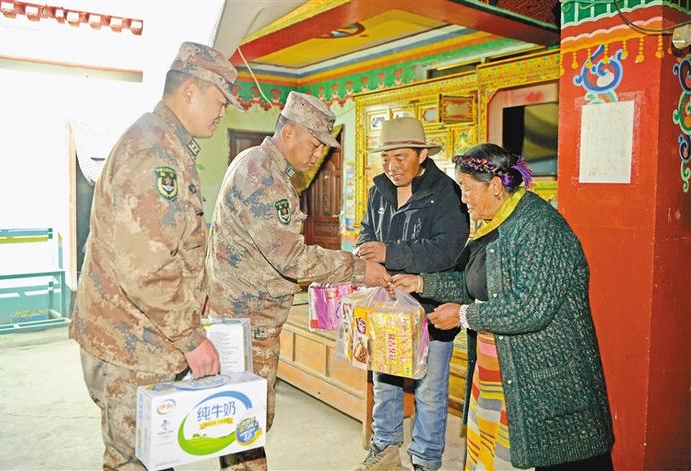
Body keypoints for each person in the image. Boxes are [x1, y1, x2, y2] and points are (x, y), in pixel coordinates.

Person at [69, 42, 243, 470]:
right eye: (220, 101)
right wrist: (191, 337)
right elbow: (146, 267)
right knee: (134, 459)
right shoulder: (154, 153)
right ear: (190, 90)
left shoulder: (165, 143)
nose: (223, 113)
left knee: (149, 455)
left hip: (139, 335)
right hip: (131, 343)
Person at [392, 143, 614, 470]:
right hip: (500, 372)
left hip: (544, 381)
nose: (463, 198)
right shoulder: (497, 224)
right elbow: (476, 285)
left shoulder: (539, 228)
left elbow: (529, 309)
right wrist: (421, 283)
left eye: (467, 188)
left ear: (495, 187)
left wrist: (463, 315)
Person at [206, 91, 392, 471]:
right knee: (248, 424)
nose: (317, 155)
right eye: (314, 143)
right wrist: (358, 268)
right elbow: (291, 257)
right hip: (248, 324)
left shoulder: (260, 165)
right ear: (288, 132)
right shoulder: (263, 176)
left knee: (243, 423)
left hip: (245, 316)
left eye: (323, 147)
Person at [352, 117, 469, 471]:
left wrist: (390, 253)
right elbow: (366, 231)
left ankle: (426, 460)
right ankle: (384, 448)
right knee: (384, 383)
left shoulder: (446, 192)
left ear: (422, 154)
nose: (392, 166)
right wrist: (366, 251)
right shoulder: (378, 190)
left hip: (432, 309)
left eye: (400, 157)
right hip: (388, 307)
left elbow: (447, 251)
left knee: (430, 392)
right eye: (386, 158)